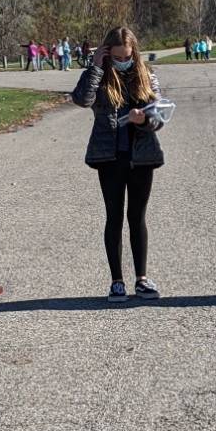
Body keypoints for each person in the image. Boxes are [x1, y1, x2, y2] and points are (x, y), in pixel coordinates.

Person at [72, 26, 167, 301]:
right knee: (114, 217)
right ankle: (116, 282)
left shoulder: (147, 75)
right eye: (116, 56)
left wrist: (145, 120)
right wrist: (96, 68)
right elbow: (82, 100)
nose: (122, 61)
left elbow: (159, 117)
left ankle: (142, 278)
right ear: (106, 53)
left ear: (134, 52)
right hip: (109, 157)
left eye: (126, 56)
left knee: (137, 218)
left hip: (142, 156)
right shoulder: (99, 75)